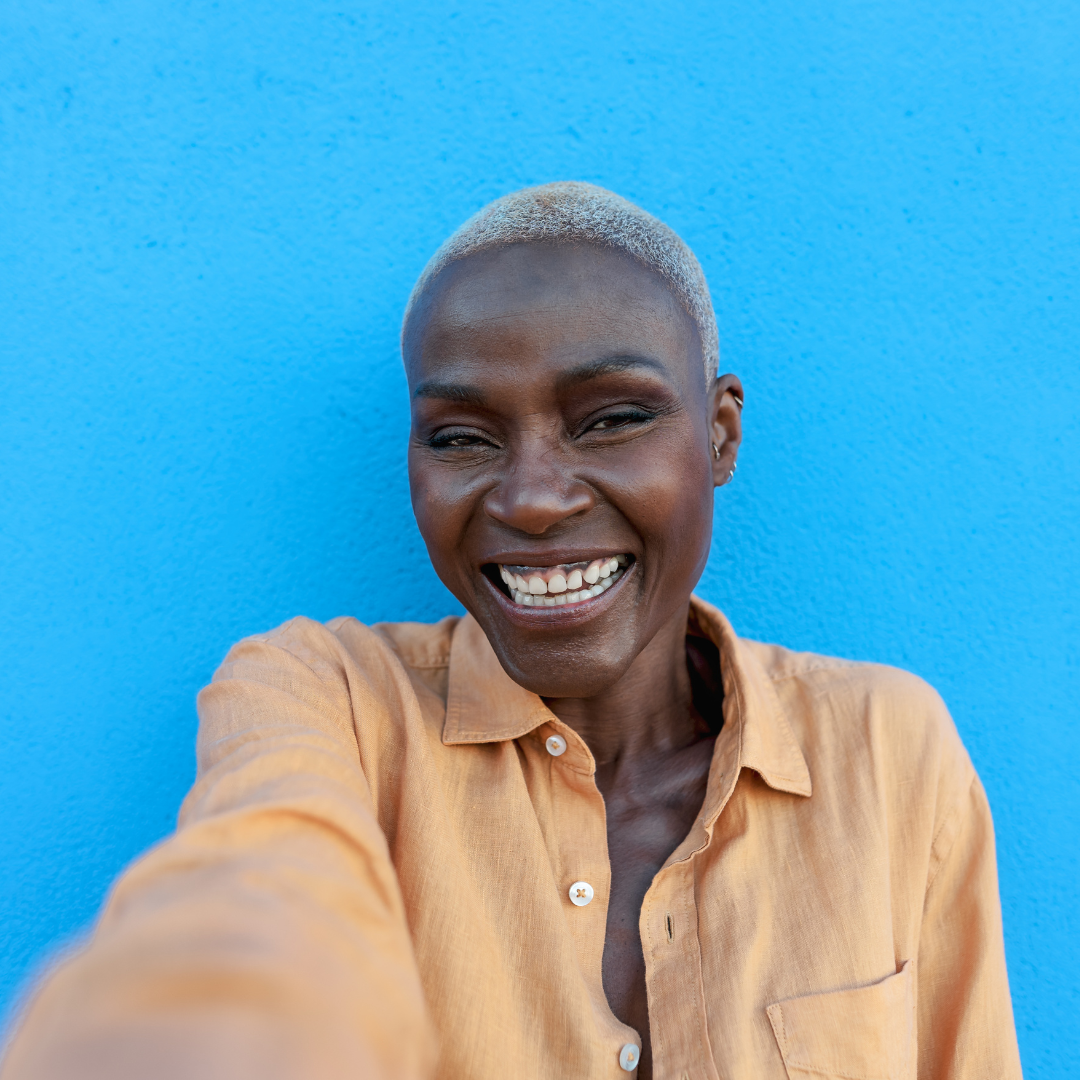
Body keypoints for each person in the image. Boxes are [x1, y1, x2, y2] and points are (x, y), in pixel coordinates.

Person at [1, 182, 1022, 1080]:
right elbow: (256, 911)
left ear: (720, 433)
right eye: (461, 437)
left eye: (611, 418)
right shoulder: (326, 703)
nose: (532, 499)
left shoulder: (889, 752)